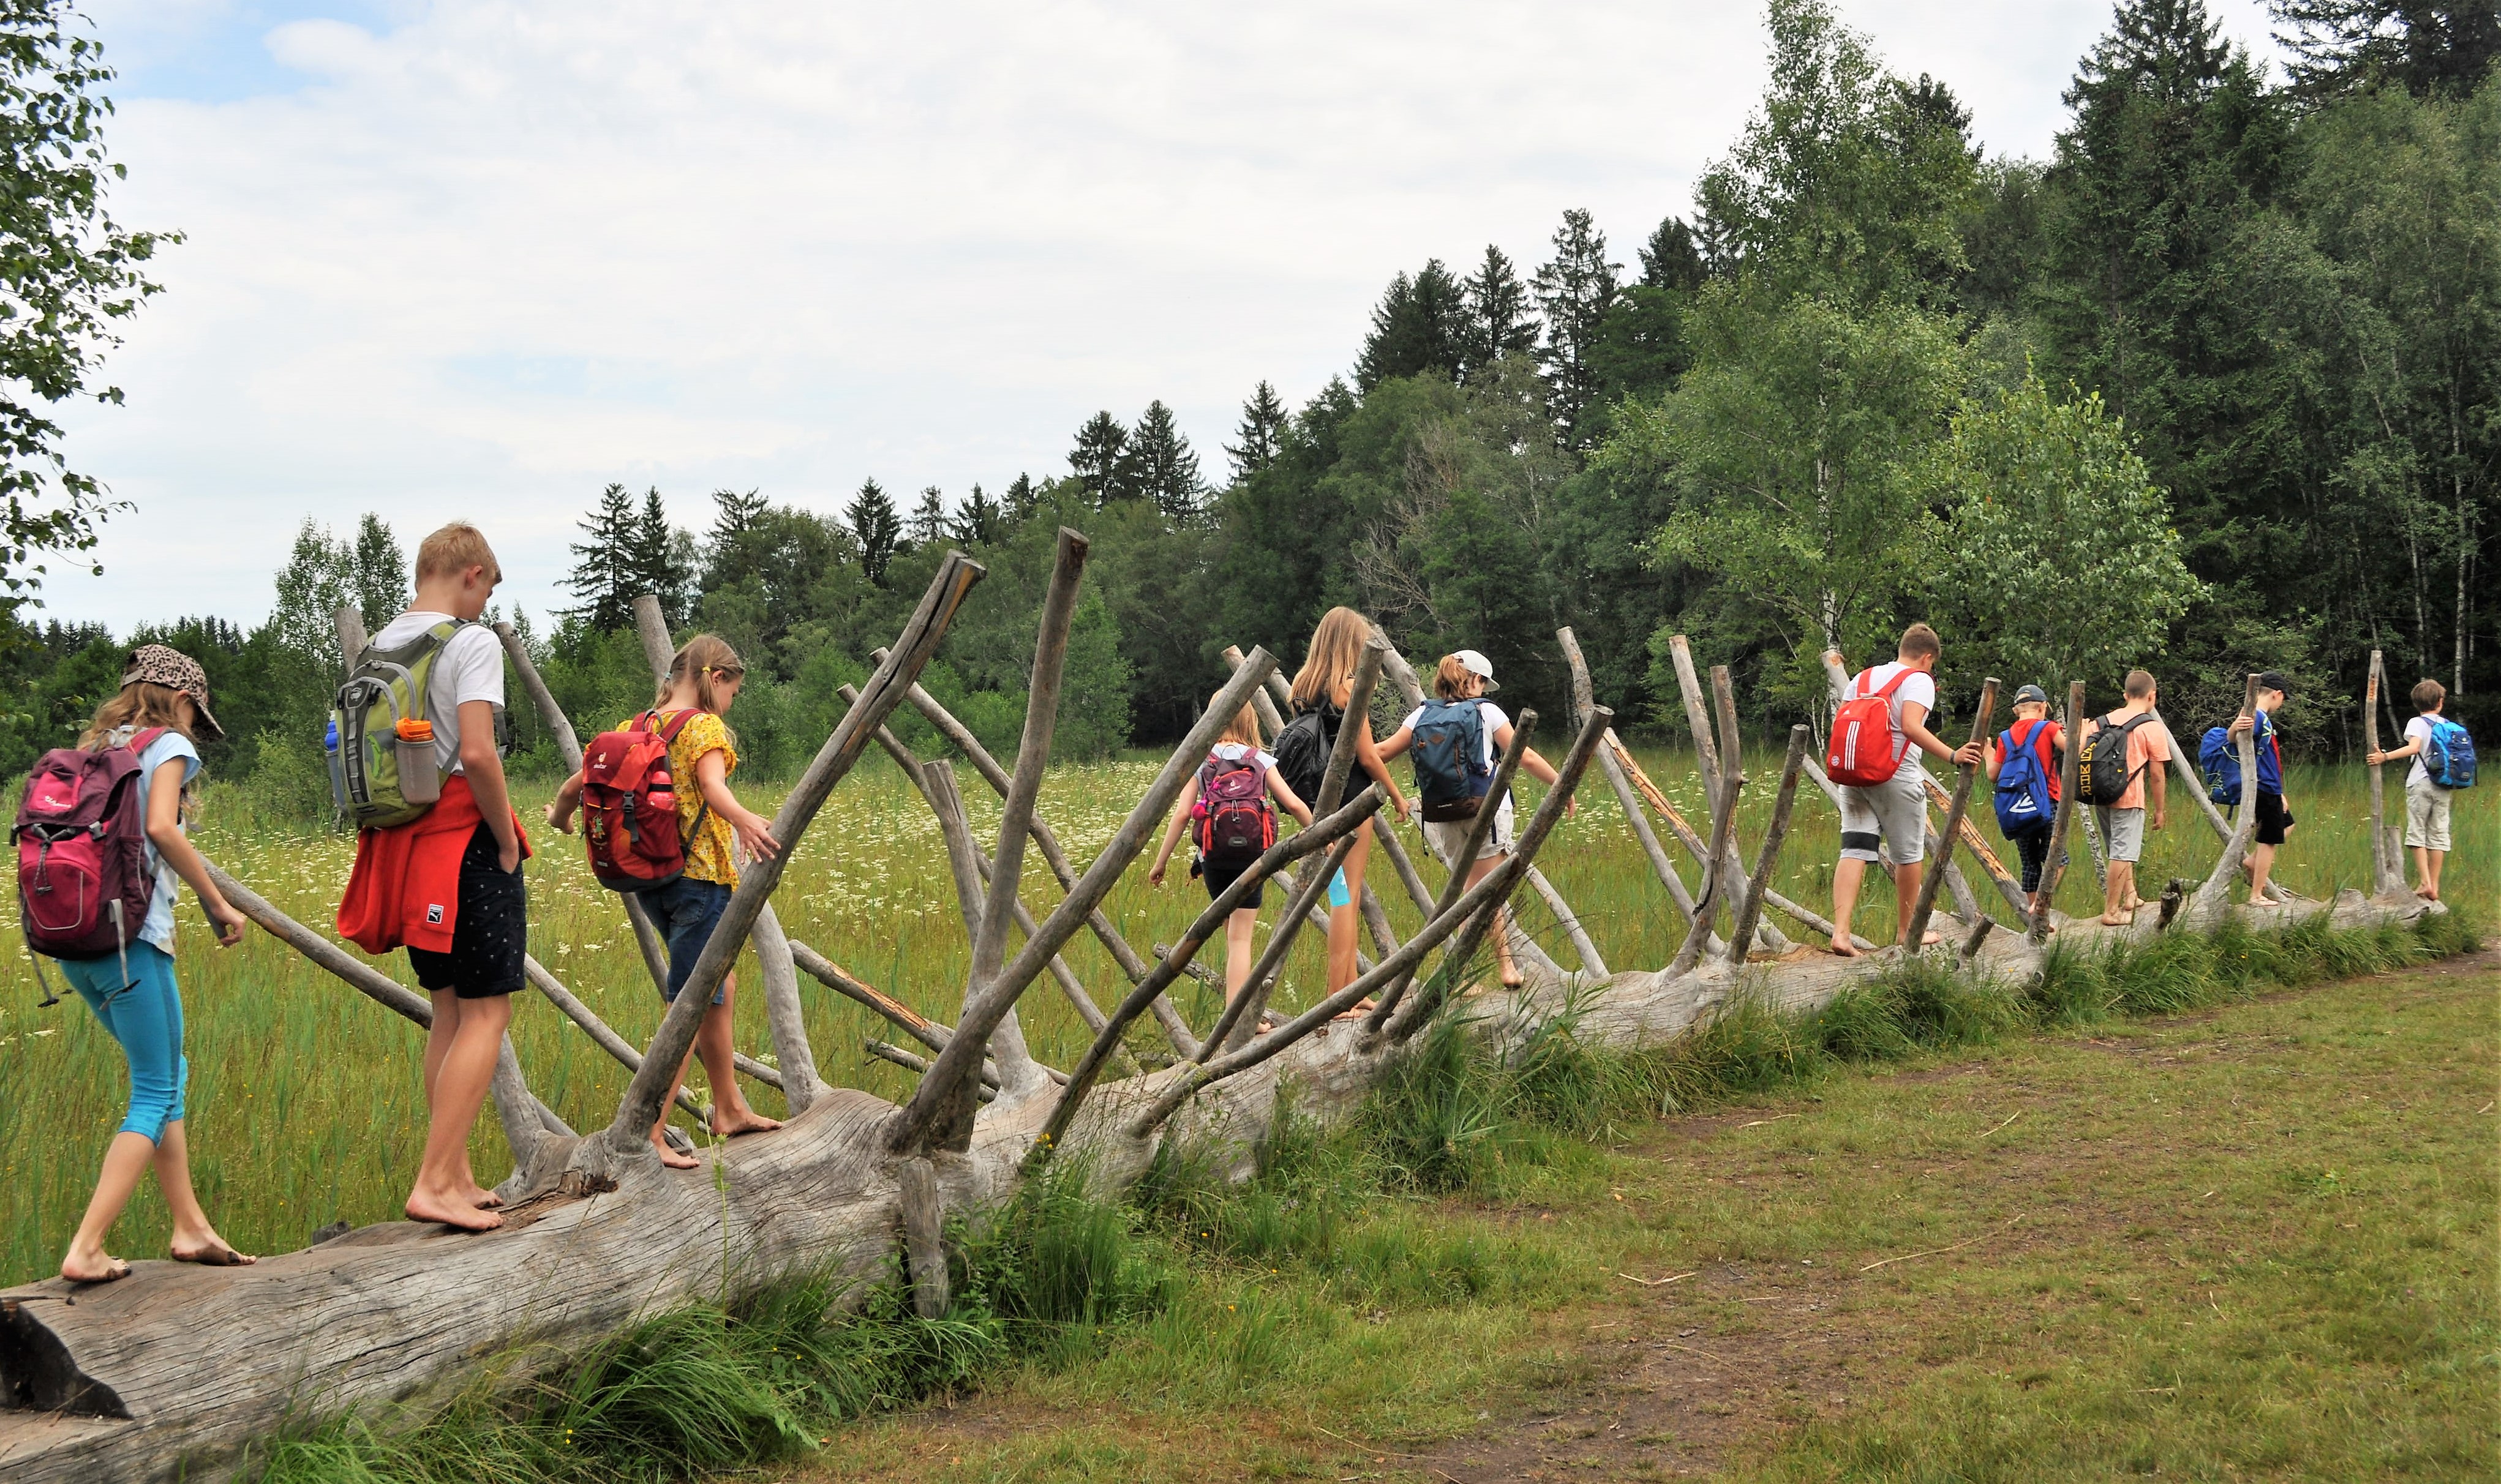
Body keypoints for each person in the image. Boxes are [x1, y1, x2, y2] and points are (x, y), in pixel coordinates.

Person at [335, 522, 528, 1231]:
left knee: (448, 1009)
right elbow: (477, 754)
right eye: (486, 592)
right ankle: (434, 1181)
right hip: (463, 845)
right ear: (472, 574)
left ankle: (457, 1171)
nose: (481, 608)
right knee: (488, 1012)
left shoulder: (380, 646)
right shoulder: (469, 641)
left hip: (405, 849)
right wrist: (507, 841)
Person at [51, 648, 255, 1283]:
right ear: (184, 702)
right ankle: (87, 1245)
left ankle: (190, 1225)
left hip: (76, 945)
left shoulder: (96, 748)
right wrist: (216, 900)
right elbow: (163, 829)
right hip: (132, 945)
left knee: (169, 1072)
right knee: (156, 1089)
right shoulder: (165, 745)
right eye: (197, 713)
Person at [550, 635, 787, 1166]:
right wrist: (745, 819)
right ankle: (650, 1131)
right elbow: (712, 786)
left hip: (654, 882)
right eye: (734, 691)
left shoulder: (642, 725)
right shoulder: (704, 726)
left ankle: (727, 1108)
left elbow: (581, 781)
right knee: (688, 1002)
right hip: (701, 881)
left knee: (716, 983)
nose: (731, 703)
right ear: (716, 678)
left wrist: (561, 816)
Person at [1375, 651, 1572, 989]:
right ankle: (1498, 969)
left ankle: (1467, 975)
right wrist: (1561, 785)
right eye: (1484, 682)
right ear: (1476, 679)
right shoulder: (1487, 711)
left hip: (1443, 813)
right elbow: (1522, 756)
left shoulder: (1421, 713)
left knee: (1468, 889)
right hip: (1485, 810)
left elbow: (1381, 753)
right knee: (1486, 893)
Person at [1147, 694, 1313, 1025]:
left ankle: (1235, 1011)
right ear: (1249, 720)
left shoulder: (1202, 761)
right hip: (1252, 858)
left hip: (1213, 858)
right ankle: (1240, 1021)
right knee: (1241, 938)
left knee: (1231, 933)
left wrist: (1161, 861)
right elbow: (1293, 805)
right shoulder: (1260, 760)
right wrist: (1322, 834)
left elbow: (1182, 815)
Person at [1829, 623, 1984, 956]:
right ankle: (1907, 931)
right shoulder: (1919, 680)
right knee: (1908, 853)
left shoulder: (1863, 678)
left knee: (1854, 847)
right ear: (1927, 658)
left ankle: (1841, 933)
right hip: (1894, 774)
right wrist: (1953, 755)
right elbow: (1911, 727)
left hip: (1854, 774)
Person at [1285, 607, 1411, 1000]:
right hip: (1353, 802)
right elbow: (1369, 755)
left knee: (1339, 893)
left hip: (1316, 801)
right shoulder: (1349, 686)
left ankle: (1347, 991)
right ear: (1350, 643)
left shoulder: (1302, 684)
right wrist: (1398, 796)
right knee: (1348, 897)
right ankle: (1341, 997)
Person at [2081, 670, 2170, 926]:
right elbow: (2157, 774)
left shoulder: (2101, 721)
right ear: (2152, 696)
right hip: (2129, 797)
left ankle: (2131, 896)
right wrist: (2160, 809)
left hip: (2101, 794)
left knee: (2117, 848)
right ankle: (2111, 911)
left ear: (2125, 695)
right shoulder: (2150, 727)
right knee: (2122, 853)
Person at [2367, 678, 2456, 902]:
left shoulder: (2418, 723)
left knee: (2417, 832)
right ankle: (2435, 886)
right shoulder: (2446, 725)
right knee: (2438, 834)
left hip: (2421, 783)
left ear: (2417, 704)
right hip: (2445, 785)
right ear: (2440, 702)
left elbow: (2414, 747)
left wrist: (2384, 756)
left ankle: (2425, 883)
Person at [1984, 683, 2064, 920]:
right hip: (2047, 802)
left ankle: (2036, 917)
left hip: (2018, 808)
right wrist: (2082, 733)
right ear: (2043, 707)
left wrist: (1989, 754)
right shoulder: (2048, 727)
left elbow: (1993, 775)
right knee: (2059, 858)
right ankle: (2040, 905)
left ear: (2015, 710)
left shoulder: (2005, 737)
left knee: (2029, 863)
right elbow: (2072, 749)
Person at [2226, 670, 2293, 904]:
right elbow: (2233, 738)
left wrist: (2280, 792)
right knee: (2269, 841)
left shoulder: (2260, 716)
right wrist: (2235, 727)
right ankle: (2256, 894)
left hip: (2270, 786)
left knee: (2288, 824)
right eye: (2283, 699)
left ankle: (2252, 863)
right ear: (2277, 694)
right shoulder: (2257, 715)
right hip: (2263, 786)